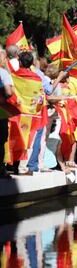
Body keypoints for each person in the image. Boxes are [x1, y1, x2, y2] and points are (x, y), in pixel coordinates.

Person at [0, 48, 14, 178]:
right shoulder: (3, 73)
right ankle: (1, 170)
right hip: (1, 109)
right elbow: (9, 92)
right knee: (1, 139)